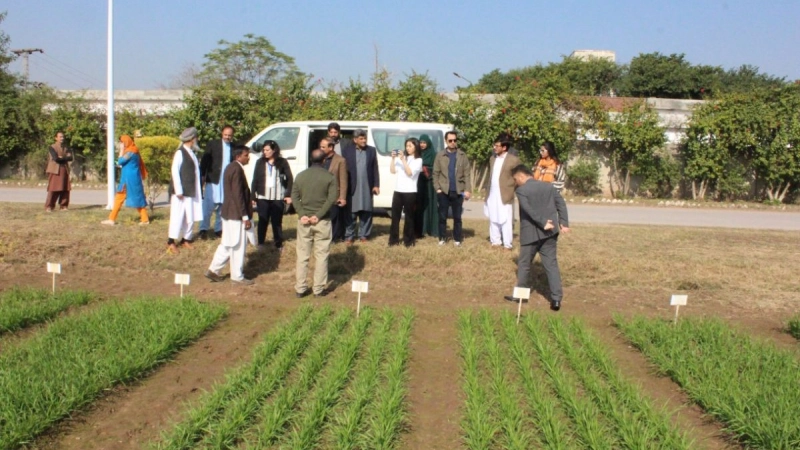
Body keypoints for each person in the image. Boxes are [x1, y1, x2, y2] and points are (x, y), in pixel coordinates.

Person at [506, 164, 570, 311]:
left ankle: (521, 296)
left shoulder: (522, 191)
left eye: (516, 179)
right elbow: (561, 203)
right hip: (550, 233)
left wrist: (542, 222)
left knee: (524, 264)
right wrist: (564, 223)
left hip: (531, 234)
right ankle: (556, 299)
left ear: (521, 176)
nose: (516, 182)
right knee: (551, 265)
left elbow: (528, 209)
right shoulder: (548, 187)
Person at [205, 145, 255, 285]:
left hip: (228, 213)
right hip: (235, 215)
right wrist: (245, 216)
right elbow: (238, 195)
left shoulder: (229, 167)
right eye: (246, 155)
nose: (248, 157)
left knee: (227, 244)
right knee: (238, 245)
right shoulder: (237, 169)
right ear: (238, 156)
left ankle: (214, 270)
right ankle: (237, 276)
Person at [291, 149, 338, 298]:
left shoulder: (300, 176)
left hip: (304, 222)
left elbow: (294, 196)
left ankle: (300, 288)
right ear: (324, 161)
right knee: (322, 256)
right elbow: (332, 199)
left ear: (311, 159)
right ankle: (318, 289)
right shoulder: (329, 177)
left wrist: (302, 214)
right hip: (322, 221)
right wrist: (318, 215)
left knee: (302, 256)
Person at [166, 127, 203, 254]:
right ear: (192, 139)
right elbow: (175, 171)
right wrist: (178, 190)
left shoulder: (192, 153)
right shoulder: (180, 153)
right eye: (195, 138)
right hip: (181, 193)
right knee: (177, 216)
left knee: (190, 217)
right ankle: (171, 241)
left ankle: (186, 239)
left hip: (192, 191)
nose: (197, 139)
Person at [251, 140, 293, 252]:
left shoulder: (282, 162)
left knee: (276, 221)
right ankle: (260, 242)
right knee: (262, 220)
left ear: (274, 150)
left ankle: (278, 243)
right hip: (263, 196)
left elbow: (290, 178)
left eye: (267, 150)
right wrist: (253, 196)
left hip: (277, 196)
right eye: (264, 150)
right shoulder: (260, 162)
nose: (265, 152)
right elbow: (255, 179)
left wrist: (288, 194)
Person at [433, 130, 471, 247]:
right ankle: (442, 238)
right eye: (450, 140)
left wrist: (467, 190)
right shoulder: (440, 155)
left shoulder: (462, 156)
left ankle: (457, 239)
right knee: (442, 217)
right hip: (443, 191)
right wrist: (438, 188)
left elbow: (467, 174)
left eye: (455, 140)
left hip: (458, 191)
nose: (453, 142)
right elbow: (435, 173)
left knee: (457, 217)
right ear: (446, 141)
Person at [101, 135, 150, 225]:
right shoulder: (134, 150)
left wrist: (121, 150)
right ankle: (112, 218)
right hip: (130, 178)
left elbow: (120, 161)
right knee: (122, 197)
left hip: (130, 179)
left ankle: (144, 219)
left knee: (132, 198)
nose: (121, 144)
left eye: (121, 142)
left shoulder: (130, 152)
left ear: (126, 142)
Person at [342, 129, 379, 244]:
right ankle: (349, 236)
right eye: (361, 139)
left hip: (367, 186)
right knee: (351, 213)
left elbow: (375, 169)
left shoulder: (371, 150)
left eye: (365, 138)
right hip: (352, 186)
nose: (364, 141)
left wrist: (376, 185)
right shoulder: (347, 151)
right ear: (355, 140)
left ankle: (364, 235)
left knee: (366, 211)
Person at [485, 136, 521, 250]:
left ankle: (507, 245)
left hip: (505, 194)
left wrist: (511, 188)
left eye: (497, 146)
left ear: (504, 147)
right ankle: (495, 241)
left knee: (505, 219)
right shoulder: (492, 158)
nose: (494, 148)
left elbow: (519, 177)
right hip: (492, 193)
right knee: (493, 217)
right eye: (494, 145)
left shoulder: (513, 160)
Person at [199, 125, 235, 239]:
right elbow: (205, 161)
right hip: (213, 180)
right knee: (208, 206)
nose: (227, 137)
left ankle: (218, 229)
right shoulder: (213, 144)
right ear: (222, 134)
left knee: (222, 207)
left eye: (229, 135)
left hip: (226, 182)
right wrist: (202, 175)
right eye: (225, 135)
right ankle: (203, 229)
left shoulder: (234, 147)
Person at [389, 138, 423, 247]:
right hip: (398, 190)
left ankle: (408, 240)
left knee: (409, 216)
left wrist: (403, 160)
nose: (408, 148)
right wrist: (393, 159)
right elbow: (393, 171)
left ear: (415, 147)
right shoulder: (402, 158)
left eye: (410, 146)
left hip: (410, 191)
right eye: (407, 146)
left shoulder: (418, 160)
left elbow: (409, 173)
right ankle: (393, 240)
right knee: (395, 216)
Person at [321, 137, 348, 242]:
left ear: (331, 147)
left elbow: (343, 180)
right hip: (321, 194)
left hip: (334, 194)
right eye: (320, 146)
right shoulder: (320, 158)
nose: (321, 148)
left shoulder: (340, 160)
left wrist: (342, 197)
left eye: (323, 147)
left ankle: (335, 238)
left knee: (334, 217)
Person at [414, 134, 439, 239]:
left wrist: (427, 169)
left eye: (424, 143)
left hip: (430, 183)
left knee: (430, 205)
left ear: (428, 143)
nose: (422, 145)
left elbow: (437, 168)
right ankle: (421, 229)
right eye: (421, 142)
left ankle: (431, 229)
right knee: (420, 205)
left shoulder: (433, 154)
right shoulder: (417, 154)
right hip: (419, 182)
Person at [44, 131, 73, 212]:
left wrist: (62, 157)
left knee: (65, 188)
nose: (62, 138)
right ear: (56, 138)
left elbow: (70, 158)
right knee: (53, 188)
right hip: (54, 170)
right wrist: (64, 157)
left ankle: (63, 206)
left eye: (63, 137)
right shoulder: (52, 147)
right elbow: (56, 158)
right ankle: (49, 206)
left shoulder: (66, 147)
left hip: (64, 169)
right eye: (60, 137)